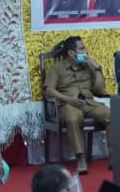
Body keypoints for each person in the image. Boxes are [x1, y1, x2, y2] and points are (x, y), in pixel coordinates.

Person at [43, 36, 111, 174]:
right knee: (72, 119)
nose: (85, 51)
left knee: (111, 115)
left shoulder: (88, 66)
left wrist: (98, 69)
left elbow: (99, 90)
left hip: (89, 102)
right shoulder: (58, 68)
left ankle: (114, 157)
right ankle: (80, 158)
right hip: (69, 104)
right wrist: (68, 99)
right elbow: (49, 91)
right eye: (82, 49)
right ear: (71, 53)